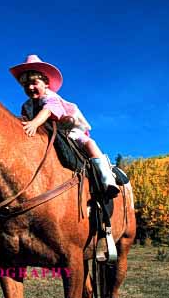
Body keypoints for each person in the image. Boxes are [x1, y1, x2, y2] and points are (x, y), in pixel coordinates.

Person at [10, 55, 119, 198]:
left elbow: (47, 111)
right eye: (26, 85)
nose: (30, 87)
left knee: (90, 144)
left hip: (69, 130)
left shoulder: (50, 97)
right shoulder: (27, 106)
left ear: (46, 84)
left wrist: (35, 123)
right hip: (46, 132)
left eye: (34, 83)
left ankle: (108, 179)